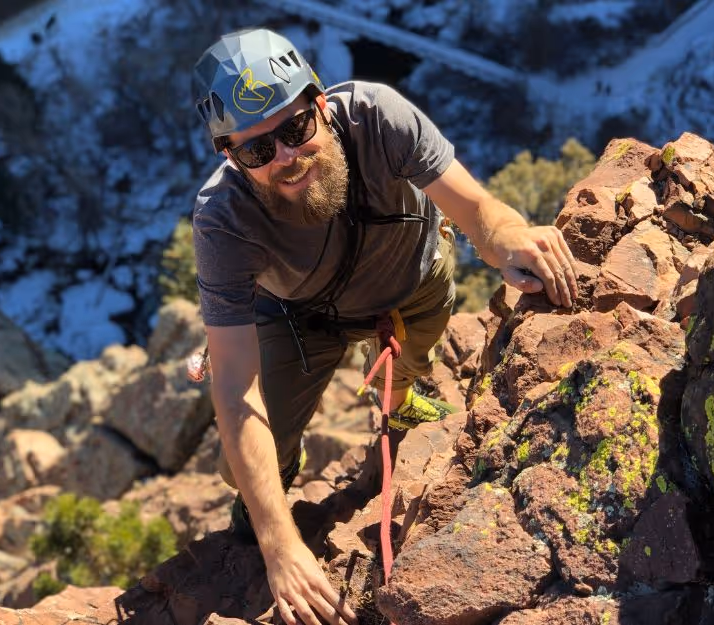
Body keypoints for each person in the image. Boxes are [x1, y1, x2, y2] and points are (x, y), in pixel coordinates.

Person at [191, 27, 578, 625]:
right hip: (299, 316)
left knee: (412, 361)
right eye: (256, 151)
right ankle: (269, 489)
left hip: (411, 285)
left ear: (320, 105)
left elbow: (476, 211)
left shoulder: (376, 117)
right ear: (230, 157)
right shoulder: (223, 219)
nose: (286, 158)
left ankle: (399, 400)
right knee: (243, 464)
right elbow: (236, 388)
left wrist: (509, 241)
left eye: (294, 130)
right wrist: (280, 543)